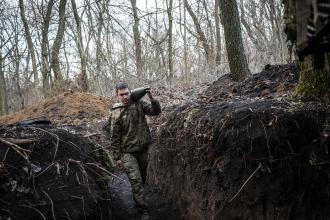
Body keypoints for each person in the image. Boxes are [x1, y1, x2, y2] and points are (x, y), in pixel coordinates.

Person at [109, 82, 161, 219]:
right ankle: (143, 210)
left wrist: (152, 98)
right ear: (117, 96)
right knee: (136, 181)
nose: (125, 97)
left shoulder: (140, 104)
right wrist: (117, 157)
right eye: (121, 94)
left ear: (130, 92)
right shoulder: (116, 113)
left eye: (127, 93)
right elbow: (114, 138)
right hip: (127, 153)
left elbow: (156, 112)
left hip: (143, 149)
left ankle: (138, 199)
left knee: (142, 178)